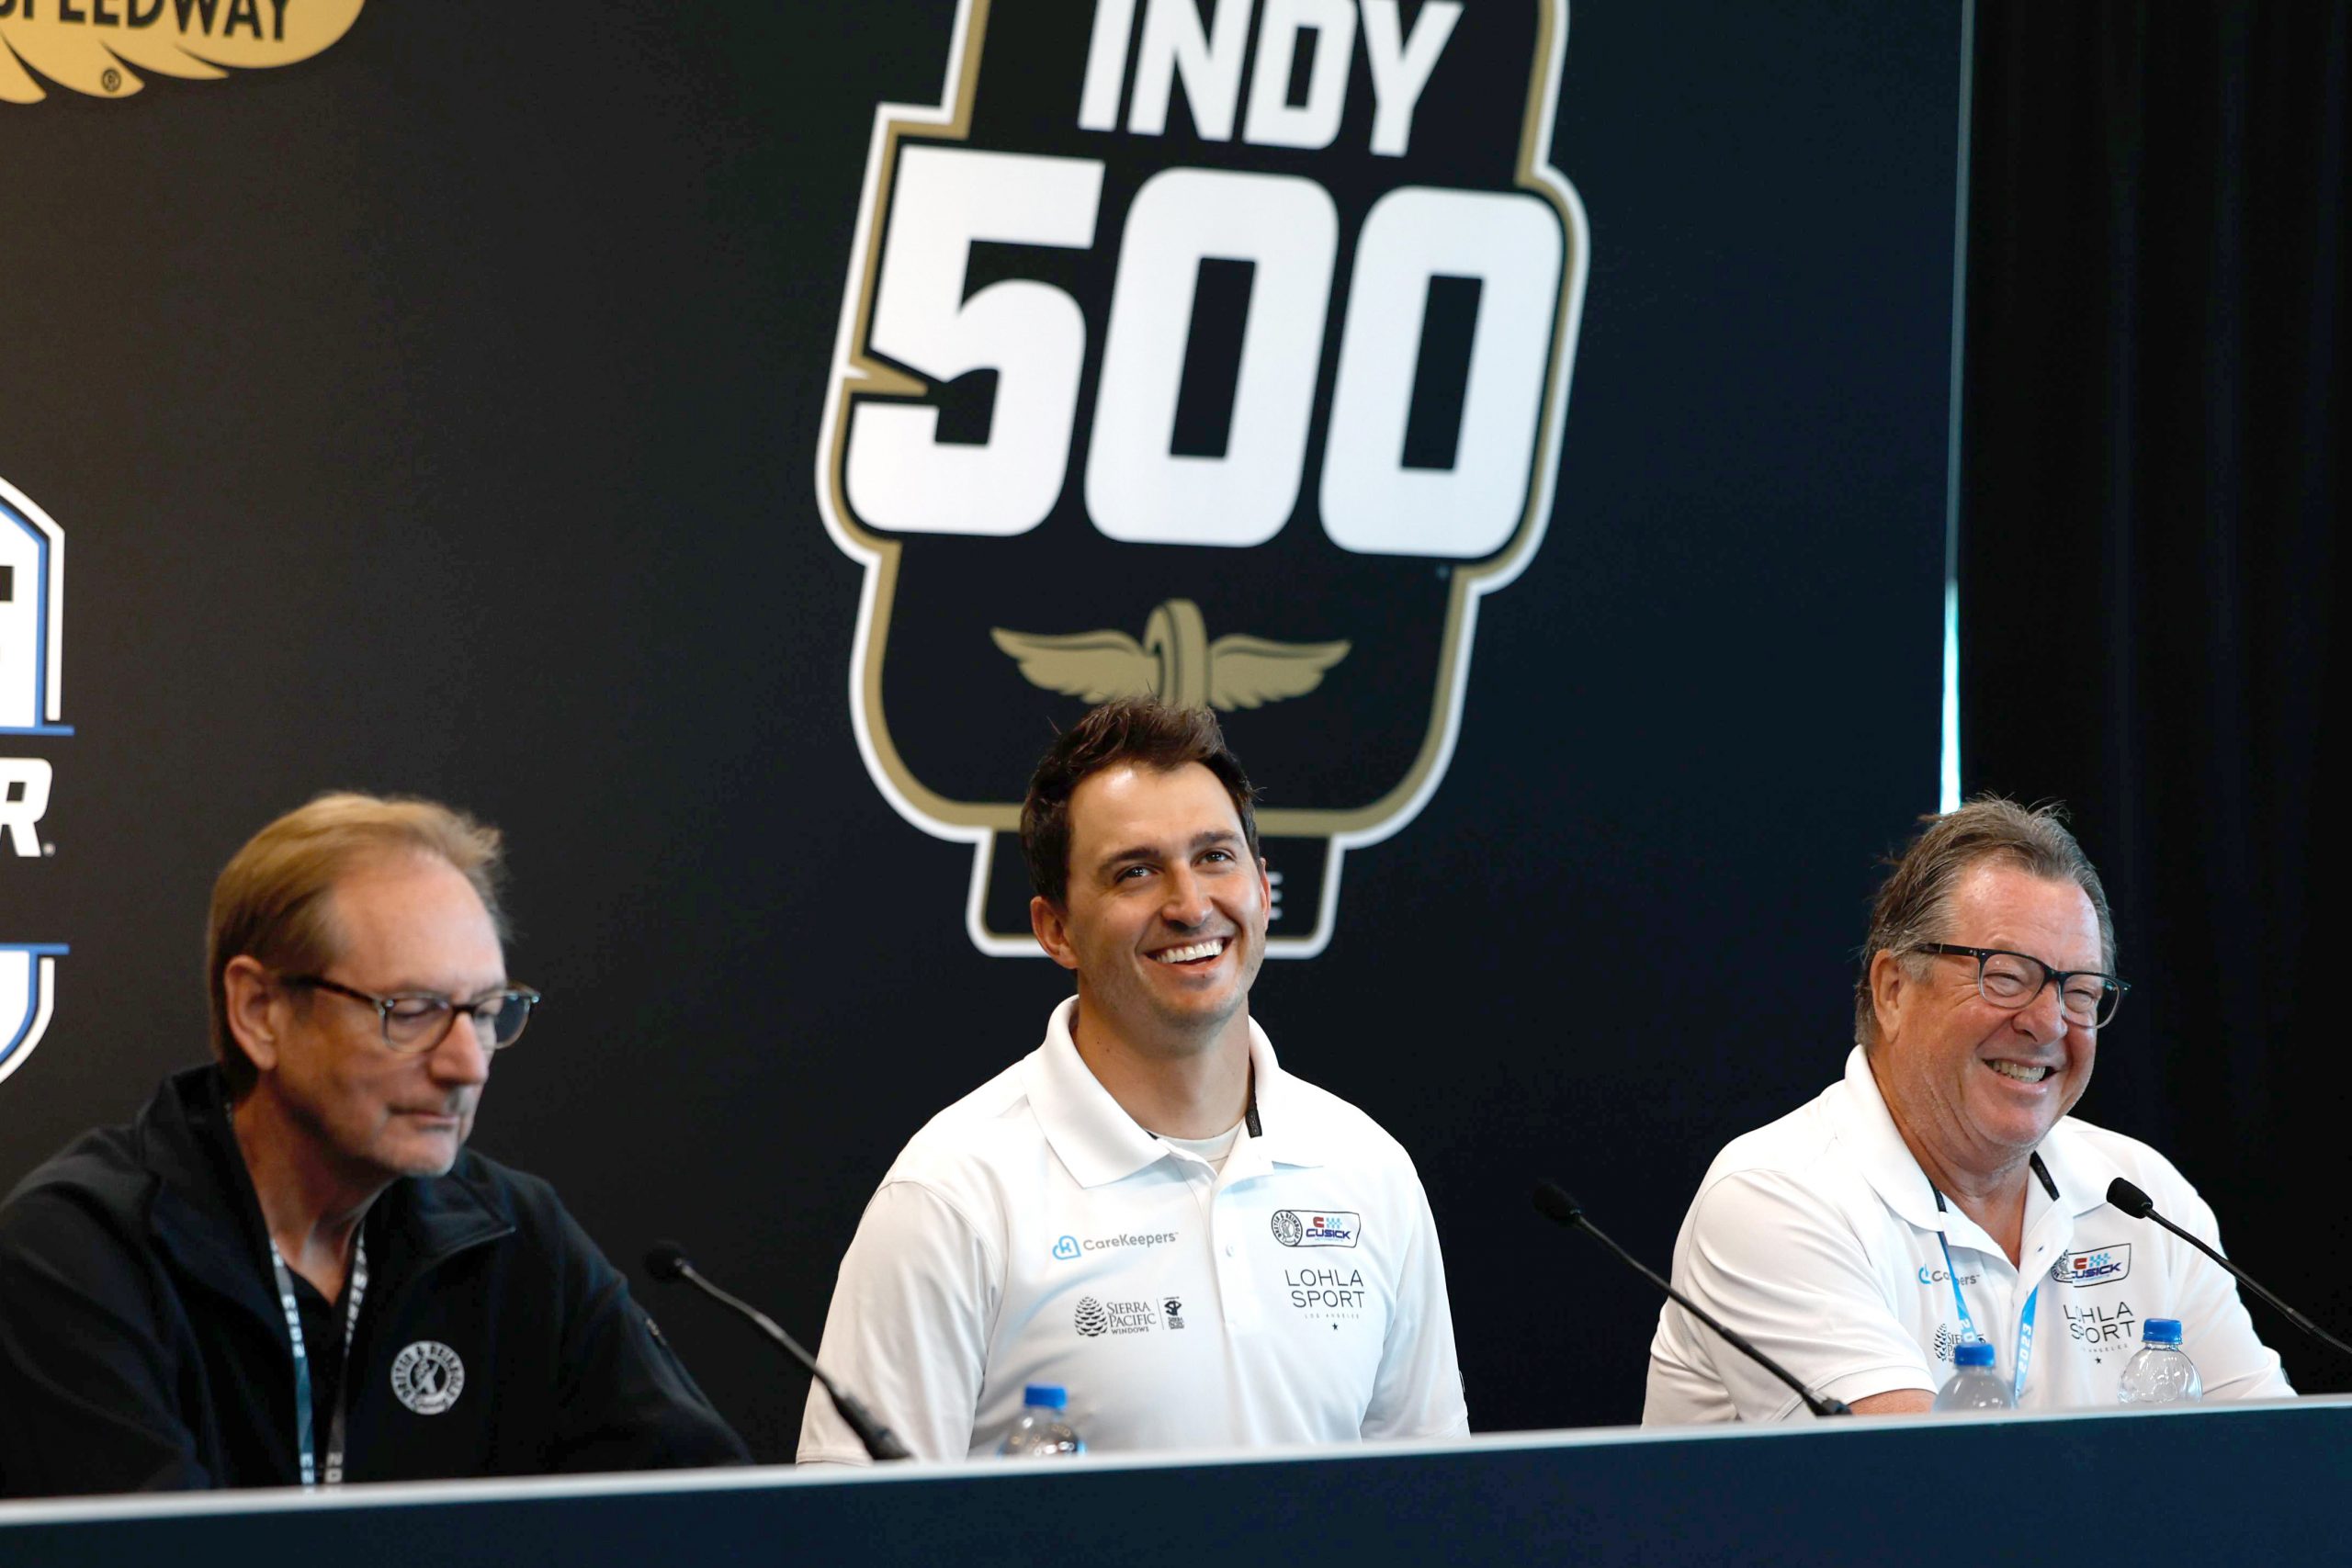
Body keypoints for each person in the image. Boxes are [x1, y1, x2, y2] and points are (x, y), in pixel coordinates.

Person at [0, 794, 748, 1495]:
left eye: (486, 1011)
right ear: (260, 1011)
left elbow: (712, 1521)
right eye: (413, 1009)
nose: (469, 1063)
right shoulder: (79, 1252)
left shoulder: (516, 1234)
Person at [797, 699, 1467, 1461]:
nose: (1189, 905)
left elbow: (1434, 1504)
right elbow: (850, 1528)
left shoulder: (1367, 1169)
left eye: (1216, 856)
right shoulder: (953, 1195)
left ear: (1264, 888)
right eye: (1136, 872)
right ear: (1056, 929)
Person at [1644, 797, 2291, 1422]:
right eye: (2006, 975)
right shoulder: (1776, 1196)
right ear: (1893, 989)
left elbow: (2279, 1466)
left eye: (2081, 991)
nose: (2047, 1023)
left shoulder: (2143, 1195)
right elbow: (1929, 1499)